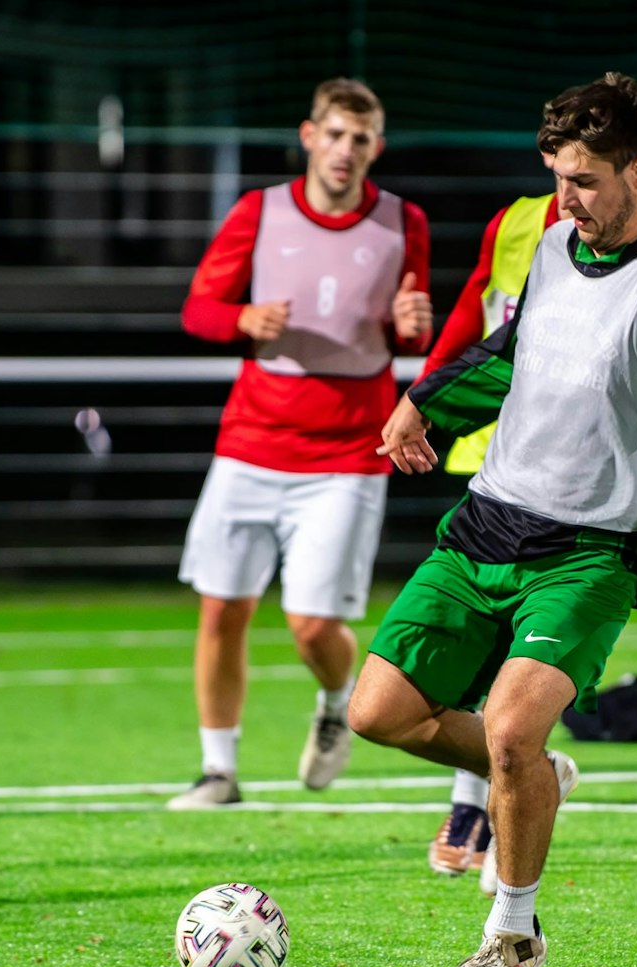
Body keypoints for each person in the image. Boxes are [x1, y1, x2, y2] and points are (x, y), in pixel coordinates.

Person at [347, 72, 637, 967]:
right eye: (556, 176)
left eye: (583, 180)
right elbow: (512, 356)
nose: (564, 197)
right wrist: (422, 404)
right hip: (484, 527)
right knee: (376, 713)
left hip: (591, 552)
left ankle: (511, 936)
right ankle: (539, 774)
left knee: (507, 729)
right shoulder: (549, 246)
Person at [168, 78, 431, 808]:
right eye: (335, 133)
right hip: (251, 440)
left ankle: (335, 698)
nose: (346, 150)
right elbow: (198, 308)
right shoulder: (261, 210)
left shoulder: (403, 222)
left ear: (376, 147)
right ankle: (218, 769)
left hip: (349, 450)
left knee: (314, 624)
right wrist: (241, 319)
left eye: (362, 138)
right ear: (309, 135)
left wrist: (415, 324)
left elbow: (411, 330)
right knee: (222, 607)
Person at [419, 186, 564, 887]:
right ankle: (487, 787)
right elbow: (477, 312)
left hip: (564, 460)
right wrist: (423, 398)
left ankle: (482, 803)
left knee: (526, 643)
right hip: (491, 445)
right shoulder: (512, 220)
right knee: (477, 636)